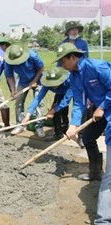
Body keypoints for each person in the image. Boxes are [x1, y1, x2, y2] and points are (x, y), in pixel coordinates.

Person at [54, 42, 109, 224]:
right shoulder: (74, 76)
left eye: (62, 61)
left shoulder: (96, 66)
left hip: (106, 108)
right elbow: (78, 102)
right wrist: (72, 125)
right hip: (98, 112)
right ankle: (95, 172)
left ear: (72, 57)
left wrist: (102, 106)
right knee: (87, 137)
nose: (61, 65)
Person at [58, 21, 89, 147]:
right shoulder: (62, 44)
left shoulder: (83, 43)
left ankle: (81, 134)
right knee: (64, 102)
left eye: (76, 29)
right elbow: (59, 63)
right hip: (67, 76)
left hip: (79, 75)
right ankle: (66, 128)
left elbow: (86, 59)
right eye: (72, 30)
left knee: (81, 104)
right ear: (68, 32)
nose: (74, 31)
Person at [4, 43, 46, 138]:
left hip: (38, 78)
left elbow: (41, 67)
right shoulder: (8, 60)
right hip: (23, 80)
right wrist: (13, 90)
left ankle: (39, 126)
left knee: (39, 102)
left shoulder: (32, 55)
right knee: (19, 101)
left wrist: (35, 80)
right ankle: (20, 124)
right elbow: (9, 76)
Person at [22, 67, 72, 141]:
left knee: (72, 110)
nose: (52, 86)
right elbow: (38, 98)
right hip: (60, 92)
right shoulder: (47, 83)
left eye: (54, 84)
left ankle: (69, 129)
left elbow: (66, 101)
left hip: (76, 90)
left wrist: (52, 111)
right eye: (51, 84)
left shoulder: (70, 80)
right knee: (56, 110)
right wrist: (28, 115)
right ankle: (58, 134)